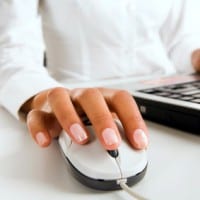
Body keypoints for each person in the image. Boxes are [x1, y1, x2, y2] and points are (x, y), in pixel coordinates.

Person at [0, 0, 200, 151]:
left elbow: (179, 39)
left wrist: (195, 55)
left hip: (168, 89)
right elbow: (12, 51)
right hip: (81, 104)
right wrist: (43, 95)